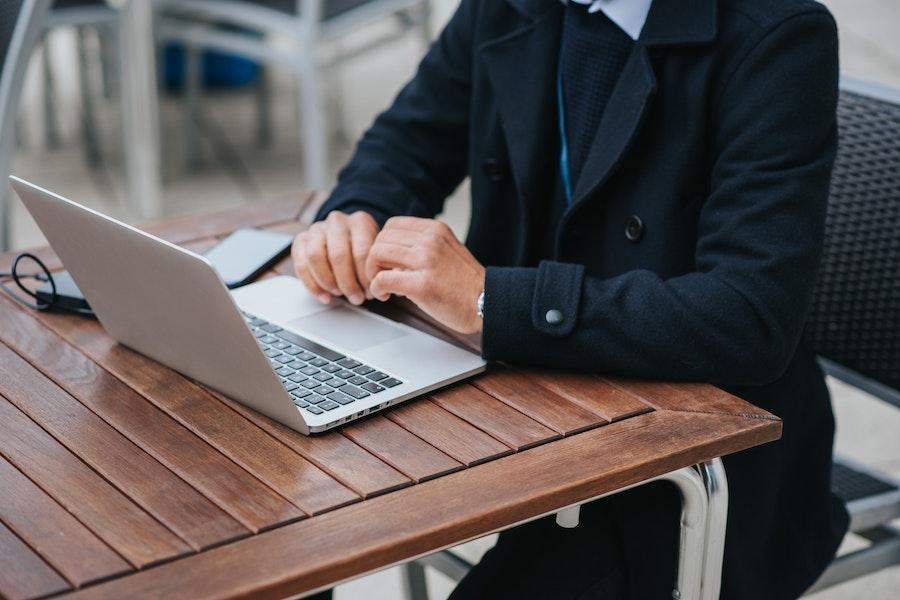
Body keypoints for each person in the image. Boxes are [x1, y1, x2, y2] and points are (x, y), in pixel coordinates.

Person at [292, 0, 848, 598]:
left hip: (687, 455)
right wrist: (355, 217)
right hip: (515, 409)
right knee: (289, 530)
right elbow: (408, 138)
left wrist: (490, 299)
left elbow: (748, 317)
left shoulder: (779, 35)